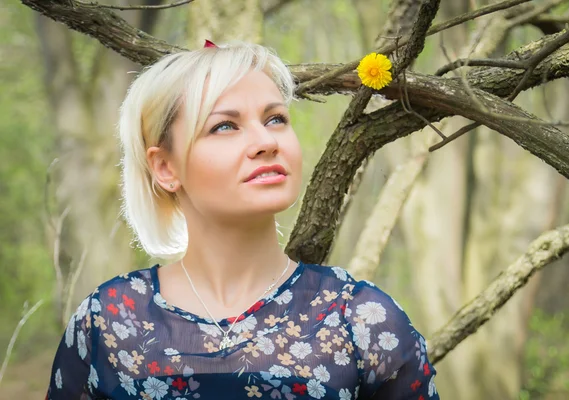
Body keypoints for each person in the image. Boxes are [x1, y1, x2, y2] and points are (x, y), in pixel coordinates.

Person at [46, 41, 439, 400]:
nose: (267, 142)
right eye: (225, 126)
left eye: (275, 119)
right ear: (165, 168)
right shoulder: (109, 323)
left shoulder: (362, 318)